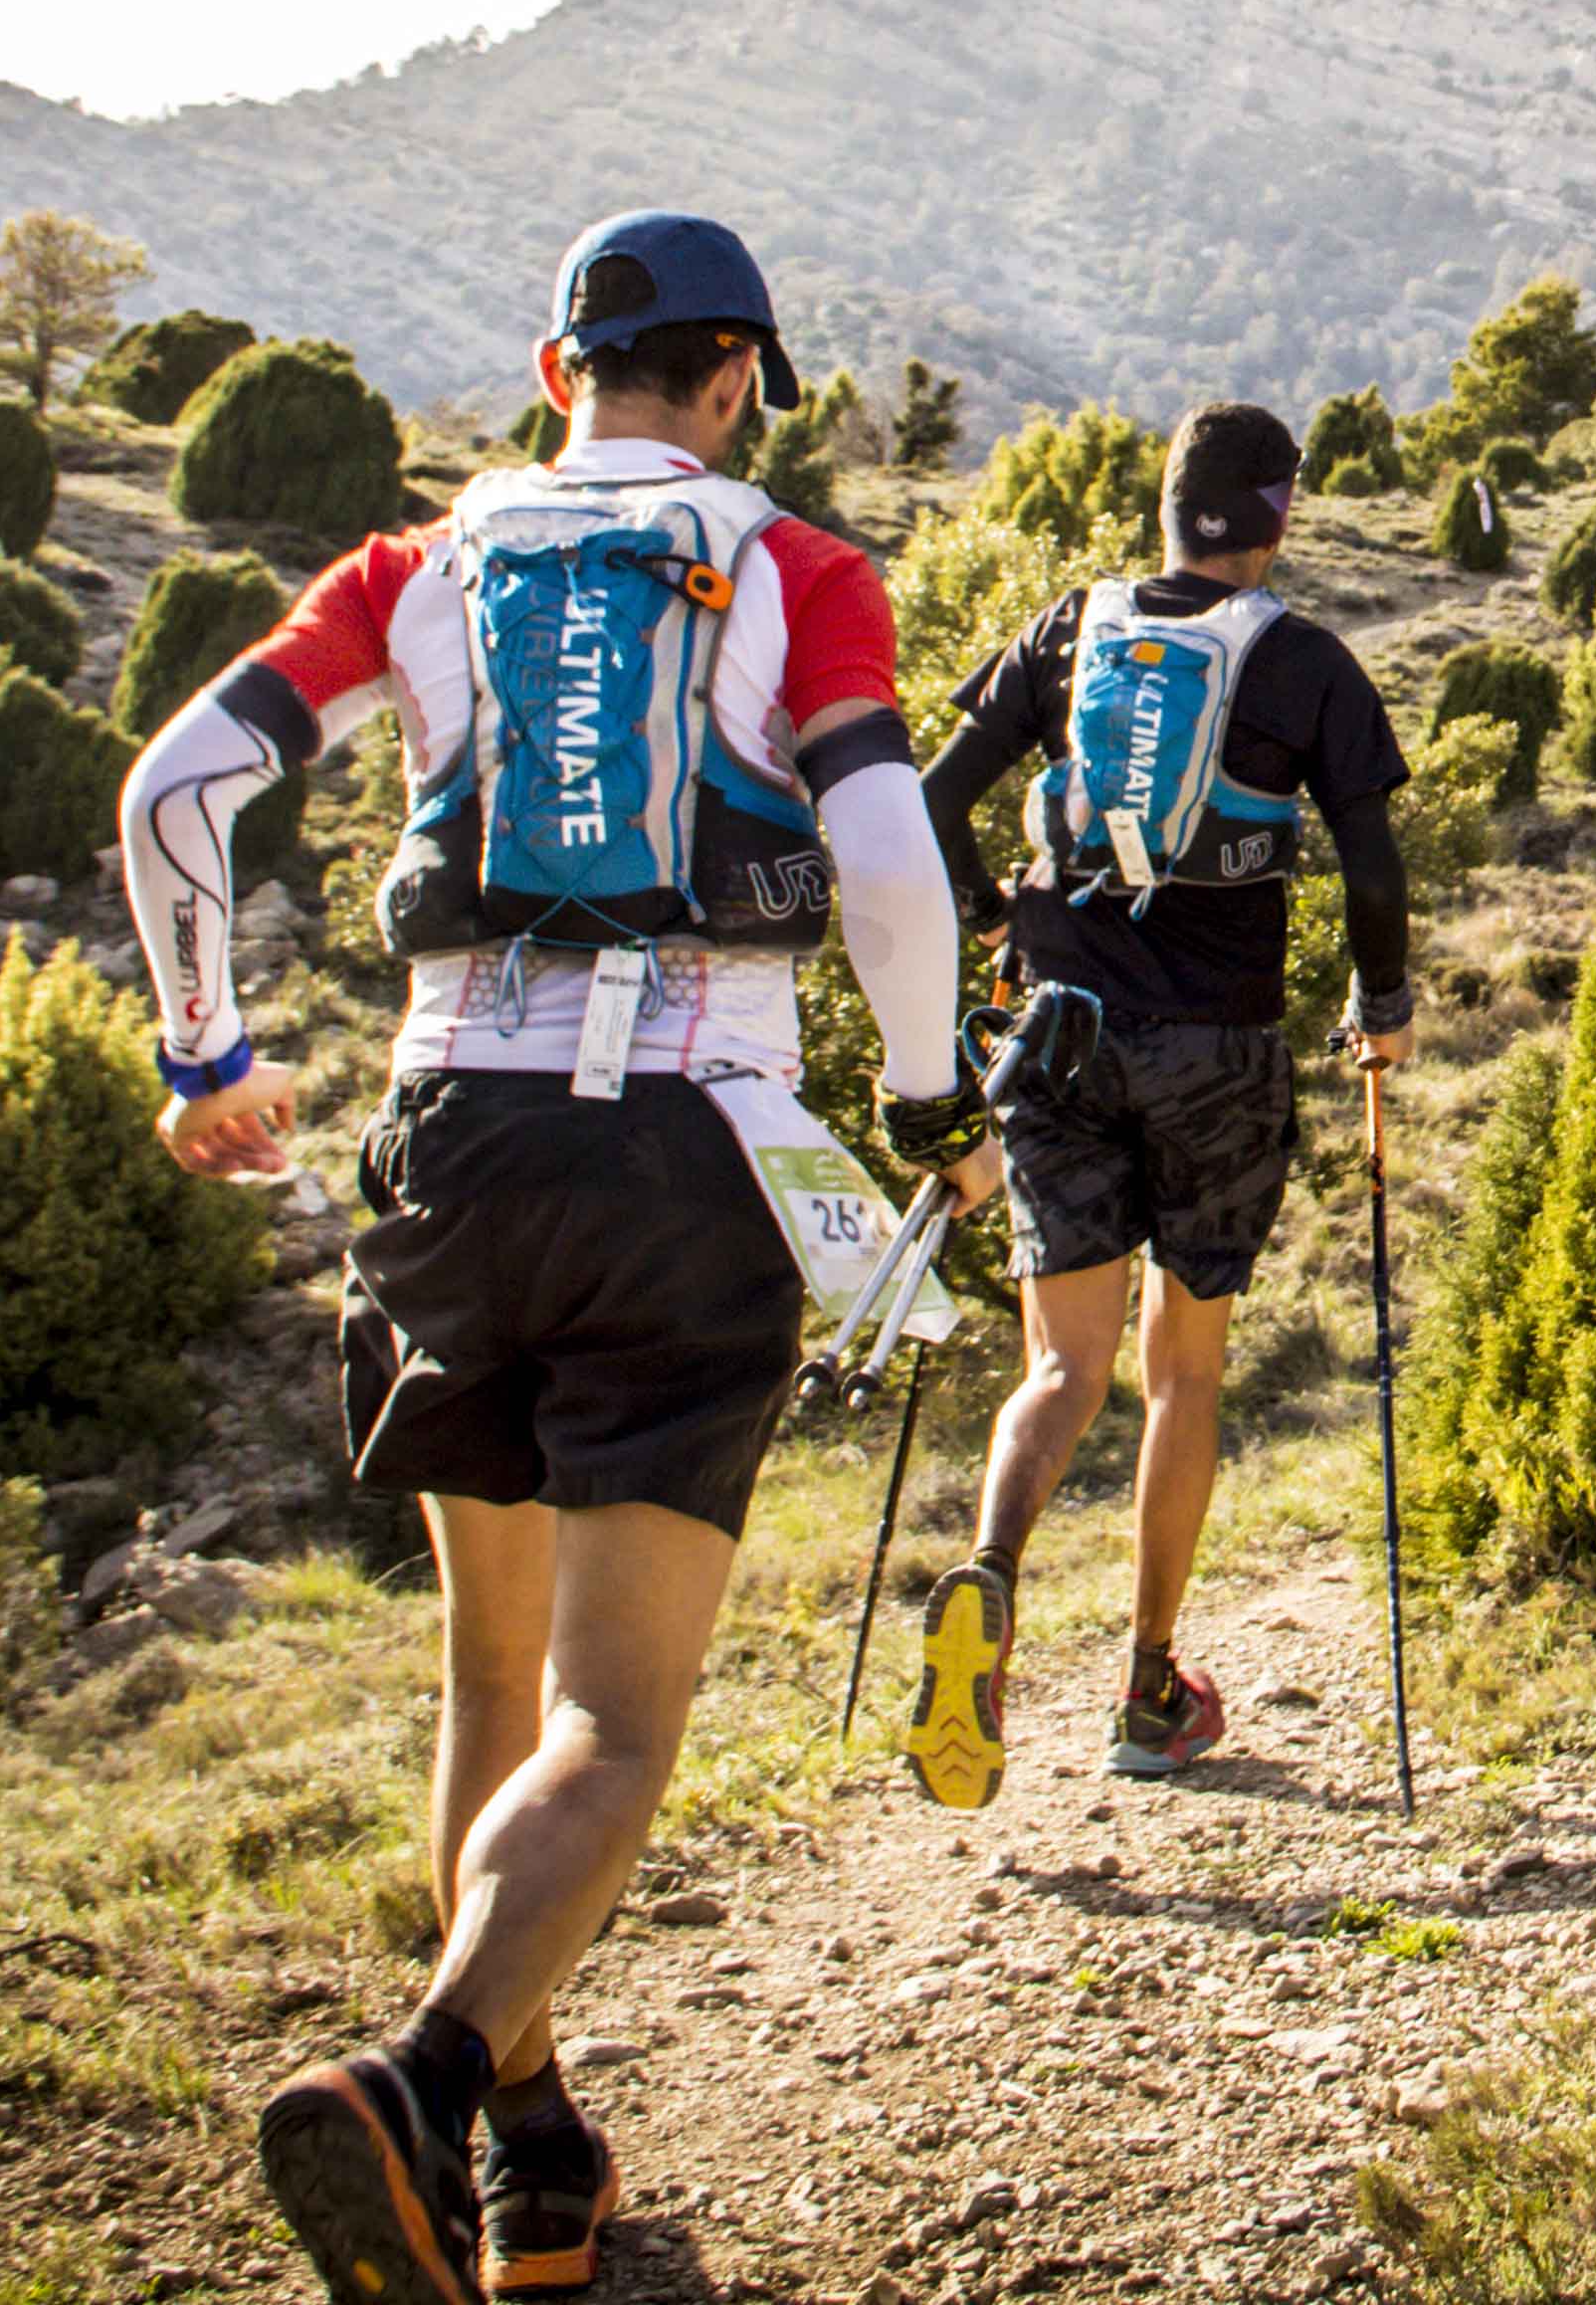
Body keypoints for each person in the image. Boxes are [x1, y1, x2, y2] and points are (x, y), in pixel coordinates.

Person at [121, 210, 993, 2305]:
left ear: (551, 372)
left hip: (446, 1141)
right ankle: (419, 2084)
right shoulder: (796, 568)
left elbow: (182, 786)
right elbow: (882, 852)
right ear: (735, 387)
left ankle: (532, 2160)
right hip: (688, 1151)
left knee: (490, 1680)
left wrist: (207, 1057)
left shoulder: (420, 568)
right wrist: (933, 1100)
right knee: (609, 1727)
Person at [898, 403, 1411, 1806]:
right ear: (1281, 513)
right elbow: (1372, 868)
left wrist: (994, 911)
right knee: (1180, 1371)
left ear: (1170, 505)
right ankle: (1147, 1689)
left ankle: (989, 1575)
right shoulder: (1301, 660)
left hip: (1056, 1038)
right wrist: (1386, 1009)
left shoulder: (1073, 626)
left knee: (1058, 1369)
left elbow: (931, 799)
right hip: (1217, 1053)